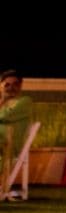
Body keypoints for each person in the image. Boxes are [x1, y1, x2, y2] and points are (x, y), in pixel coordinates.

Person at [1, 70, 32, 202]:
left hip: (10, 143)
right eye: (7, 85)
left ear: (20, 86)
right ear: (0, 86)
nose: (11, 88)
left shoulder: (25, 101)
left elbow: (5, 116)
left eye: (15, 84)